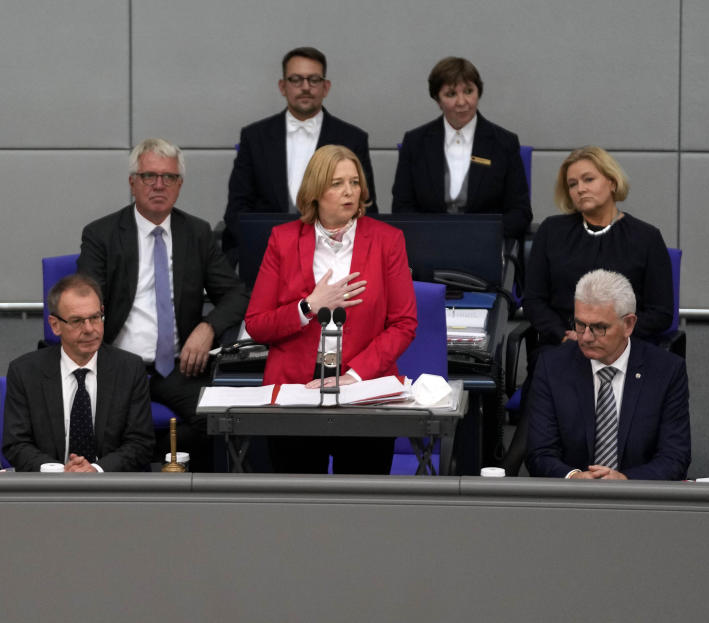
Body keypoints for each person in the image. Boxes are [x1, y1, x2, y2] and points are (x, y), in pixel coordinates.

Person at [77, 138, 249, 472]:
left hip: (177, 367)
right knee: (101, 431)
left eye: (169, 177)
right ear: (132, 182)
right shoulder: (102, 234)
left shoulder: (196, 233)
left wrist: (207, 327)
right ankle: (139, 456)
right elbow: (86, 302)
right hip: (117, 365)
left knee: (220, 422)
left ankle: (175, 478)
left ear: (179, 185)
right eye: (149, 176)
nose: (159, 185)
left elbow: (235, 293)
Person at [245, 144, 417, 474]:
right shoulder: (282, 240)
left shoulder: (387, 240)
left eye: (354, 182)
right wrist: (309, 306)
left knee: (361, 504)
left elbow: (403, 323)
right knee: (298, 505)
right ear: (315, 191)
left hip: (363, 383)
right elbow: (257, 324)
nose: (349, 192)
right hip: (297, 387)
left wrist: (353, 375)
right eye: (337, 183)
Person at [526, 269, 691, 480]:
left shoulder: (667, 371)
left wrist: (626, 481)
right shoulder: (552, 366)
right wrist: (573, 477)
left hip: (639, 502)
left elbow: (675, 457)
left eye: (598, 327)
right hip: (571, 501)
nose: (585, 337)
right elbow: (539, 453)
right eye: (579, 324)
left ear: (628, 324)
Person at [223, 46, 378, 254]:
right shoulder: (254, 137)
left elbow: (364, 206)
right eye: (296, 79)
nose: (305, 87)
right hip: (266, 251)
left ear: (326, 87)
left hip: (335, 254)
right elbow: (237, 208)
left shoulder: (352, 138)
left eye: (313, 80)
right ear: (282, 86)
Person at [2, 274, 155, 472]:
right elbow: (16, 444)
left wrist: (96, 470)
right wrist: (61, 472)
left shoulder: (129, 369)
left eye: (95, 317)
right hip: (49, 490)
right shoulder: (24, 372)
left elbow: (141, 443)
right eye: (77, 321)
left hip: (110, 488)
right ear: (55, 325)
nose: (90, 329)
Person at [524, 146, 673, 346]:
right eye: (572, 184)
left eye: (589, 179)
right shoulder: (551, 231)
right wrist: (563, 335)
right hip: (564, 345)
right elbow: (534, 301)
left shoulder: (646, 237)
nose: (580, 189)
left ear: (612, 182)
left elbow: (661, 313)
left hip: (623, 348)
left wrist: (610, 336)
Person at [391, 56, 532, 239]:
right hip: (429, 245)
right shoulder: (415, 142)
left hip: (486, 246)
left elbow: (520, 212)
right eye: (451, 94)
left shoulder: (504, 143)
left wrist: (482, 236)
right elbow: (402, 208)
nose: (462, 102)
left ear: (478, 92)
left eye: (468, 91)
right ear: (437, 99)